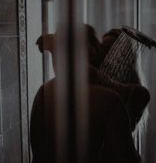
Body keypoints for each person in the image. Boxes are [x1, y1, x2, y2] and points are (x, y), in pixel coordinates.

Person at [30, 25, 141, 163]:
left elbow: (37, 152)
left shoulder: (44, 93)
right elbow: (127, 159)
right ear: (92, 50)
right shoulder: (109, 100)